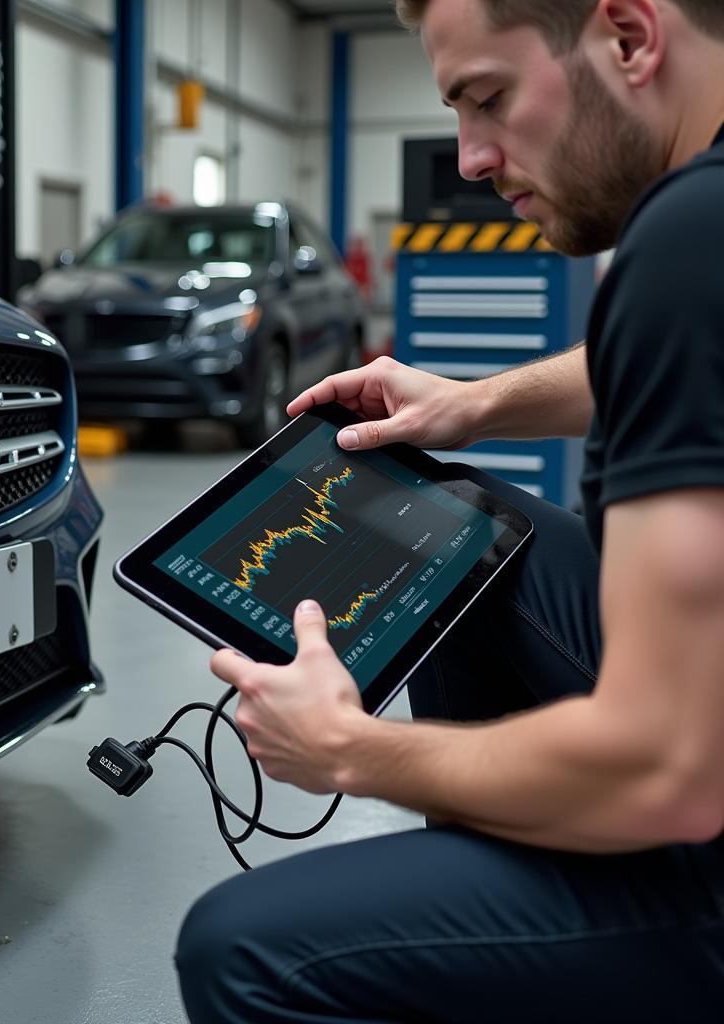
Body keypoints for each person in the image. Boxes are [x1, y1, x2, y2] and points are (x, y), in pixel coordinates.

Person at [174, 1, 724, 1020]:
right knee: (476, 532)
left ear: (630, 37)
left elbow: (674, 772)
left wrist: (351, 751)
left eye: (488, 98)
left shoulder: (688, 237)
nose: (470, 158)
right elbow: (660, 360)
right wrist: (474, 405)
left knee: (240, 948)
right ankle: (508, 885)